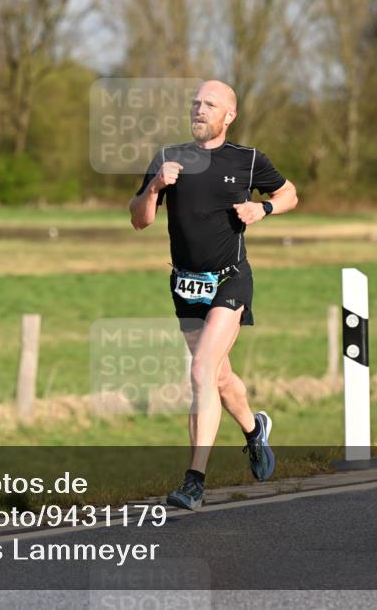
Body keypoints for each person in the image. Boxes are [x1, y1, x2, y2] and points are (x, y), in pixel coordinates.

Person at [128, 80, 298, 510]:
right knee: (219, 377)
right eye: (196, 103)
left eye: (210, 104)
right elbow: (138, 220)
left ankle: (194, 481)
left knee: (202, 370)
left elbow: (289, 193)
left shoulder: (248, 159)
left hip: (230, 279)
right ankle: (254, 429)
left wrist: (265, 208)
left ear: (229, 115)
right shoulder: (168, 158)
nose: (199, 109)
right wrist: (153, 189)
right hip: (186, 285)